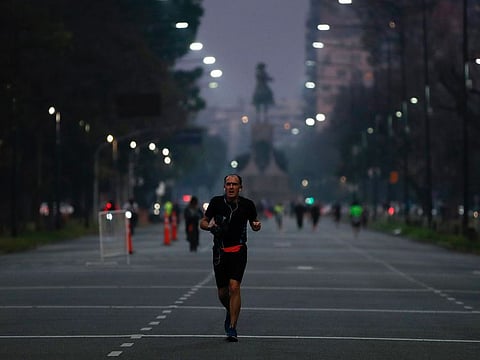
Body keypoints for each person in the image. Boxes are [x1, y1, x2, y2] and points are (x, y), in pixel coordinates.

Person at [200, 174, 261, 342]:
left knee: (234, 287)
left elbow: (255, 223)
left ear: (240, 187)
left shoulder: (248, 205)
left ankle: (232, 327)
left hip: (239, 250)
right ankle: (231, 310)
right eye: (228, 184)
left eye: (235, 184)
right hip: (220, 251)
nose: (231, 187)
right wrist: (209, 226)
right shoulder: (216, 203)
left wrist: (257, 226)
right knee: (222, 293)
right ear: (224, 187)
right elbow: (203, 222)